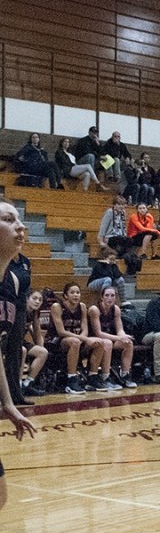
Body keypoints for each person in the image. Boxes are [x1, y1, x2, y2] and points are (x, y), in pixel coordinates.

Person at [0, 201, 38, 509]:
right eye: (9, 220)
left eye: (20, 220)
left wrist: (9, 403)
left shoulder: (11, 282)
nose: (20, 226)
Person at [48, 281, 115, 393]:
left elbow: (85, 330)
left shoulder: (82, 307)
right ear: (65, 295)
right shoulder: (57, 306)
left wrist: (84, 339)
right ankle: (71, 379)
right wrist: (84, 339)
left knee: (100, 342)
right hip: (55, 341)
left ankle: (92, 377)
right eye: (72, 292)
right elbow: (61, 332)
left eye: (78, 292)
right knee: (75, 342)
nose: (76, 295)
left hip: (77, 340)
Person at [88, 286, 137, 388]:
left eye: (112, 295)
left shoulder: (116, 309)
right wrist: (119, 338)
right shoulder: (95, 309)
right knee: (108, 343)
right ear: (102, 297)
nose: (110, 298)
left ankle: (125, 375)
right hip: (93, 341)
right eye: (107, 295)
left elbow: (119, 330)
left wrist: (124, 336)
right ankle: (105, 377)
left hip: (109, 338)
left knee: (128, 343)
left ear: (115, 297)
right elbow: (98, 333)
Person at [1, 250, 31, 408]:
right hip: (2, 306)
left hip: (19, 309)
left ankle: (15, 395)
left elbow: (26, 287)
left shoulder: (25, 261)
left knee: (15, 351)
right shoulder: (2, 257)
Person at [21, 289, 50, 397]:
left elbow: (37, 336)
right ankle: (17, 386)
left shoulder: (34, 313)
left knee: (43, 352)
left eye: (40, 299)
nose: (37, 301)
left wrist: (41, 347)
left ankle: (26, 384)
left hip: (21, 342)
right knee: (22, 351)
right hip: (10, 342)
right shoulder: (20, 311)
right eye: (34, 298)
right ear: (27, 299)